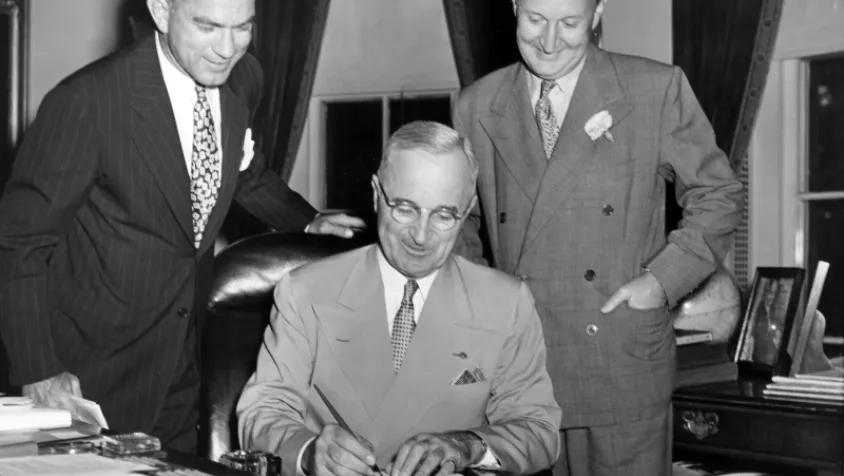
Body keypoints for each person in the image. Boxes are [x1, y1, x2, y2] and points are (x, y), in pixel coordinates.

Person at [0, 0, 363, 452]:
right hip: (87, 375)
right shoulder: (88, 101)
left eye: (243, 27)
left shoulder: (245, 79)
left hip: (183, 365)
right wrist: (38, 370)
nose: (227, 49)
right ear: (161, 10)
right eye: (208, 26)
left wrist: (305, 219)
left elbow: (242, 169)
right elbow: (19, 244)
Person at [452, 0, 744, 474]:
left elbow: (719, 194)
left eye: (569, 23)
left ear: (597, 12)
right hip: (519, 362)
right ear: (513, 7)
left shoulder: (654, 88)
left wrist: (660, 281)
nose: (549, 41)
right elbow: (459, 220)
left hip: (616, 353)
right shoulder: (476, 103)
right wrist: (482, 303)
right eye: (534, 20)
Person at [237, 121, 561, 476]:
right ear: (376, 195)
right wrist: (310, 452)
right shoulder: (305, 291)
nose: (420, 237)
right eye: (405, 208)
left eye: (443, 215)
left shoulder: (506, 302)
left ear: (466, 210)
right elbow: (262, 412)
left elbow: (537, 429)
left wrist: (466, 445)